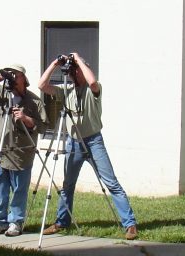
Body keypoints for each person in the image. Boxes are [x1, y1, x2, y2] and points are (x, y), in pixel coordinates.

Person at [38, 52, 137, 240]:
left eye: (77, 69)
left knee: (111, 182)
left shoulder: (95, 91)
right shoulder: (65, 90)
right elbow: (41, 86)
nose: (74, 72)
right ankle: (61, 221)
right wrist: (55, 64)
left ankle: (130, 224)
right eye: (73, 69)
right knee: (68, 185)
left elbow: (92, 82)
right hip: (73, 142)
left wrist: (78, 60)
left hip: (93, 141)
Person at [0, 63, 49, 237]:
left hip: (21, 153)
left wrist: (25, 118)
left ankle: (16, 222)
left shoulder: (34, 101)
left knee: (19, 190)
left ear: (23, 78)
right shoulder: (1, 92)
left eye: (15, 74)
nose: (12, 77)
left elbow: (43, 126)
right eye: (10, 74)